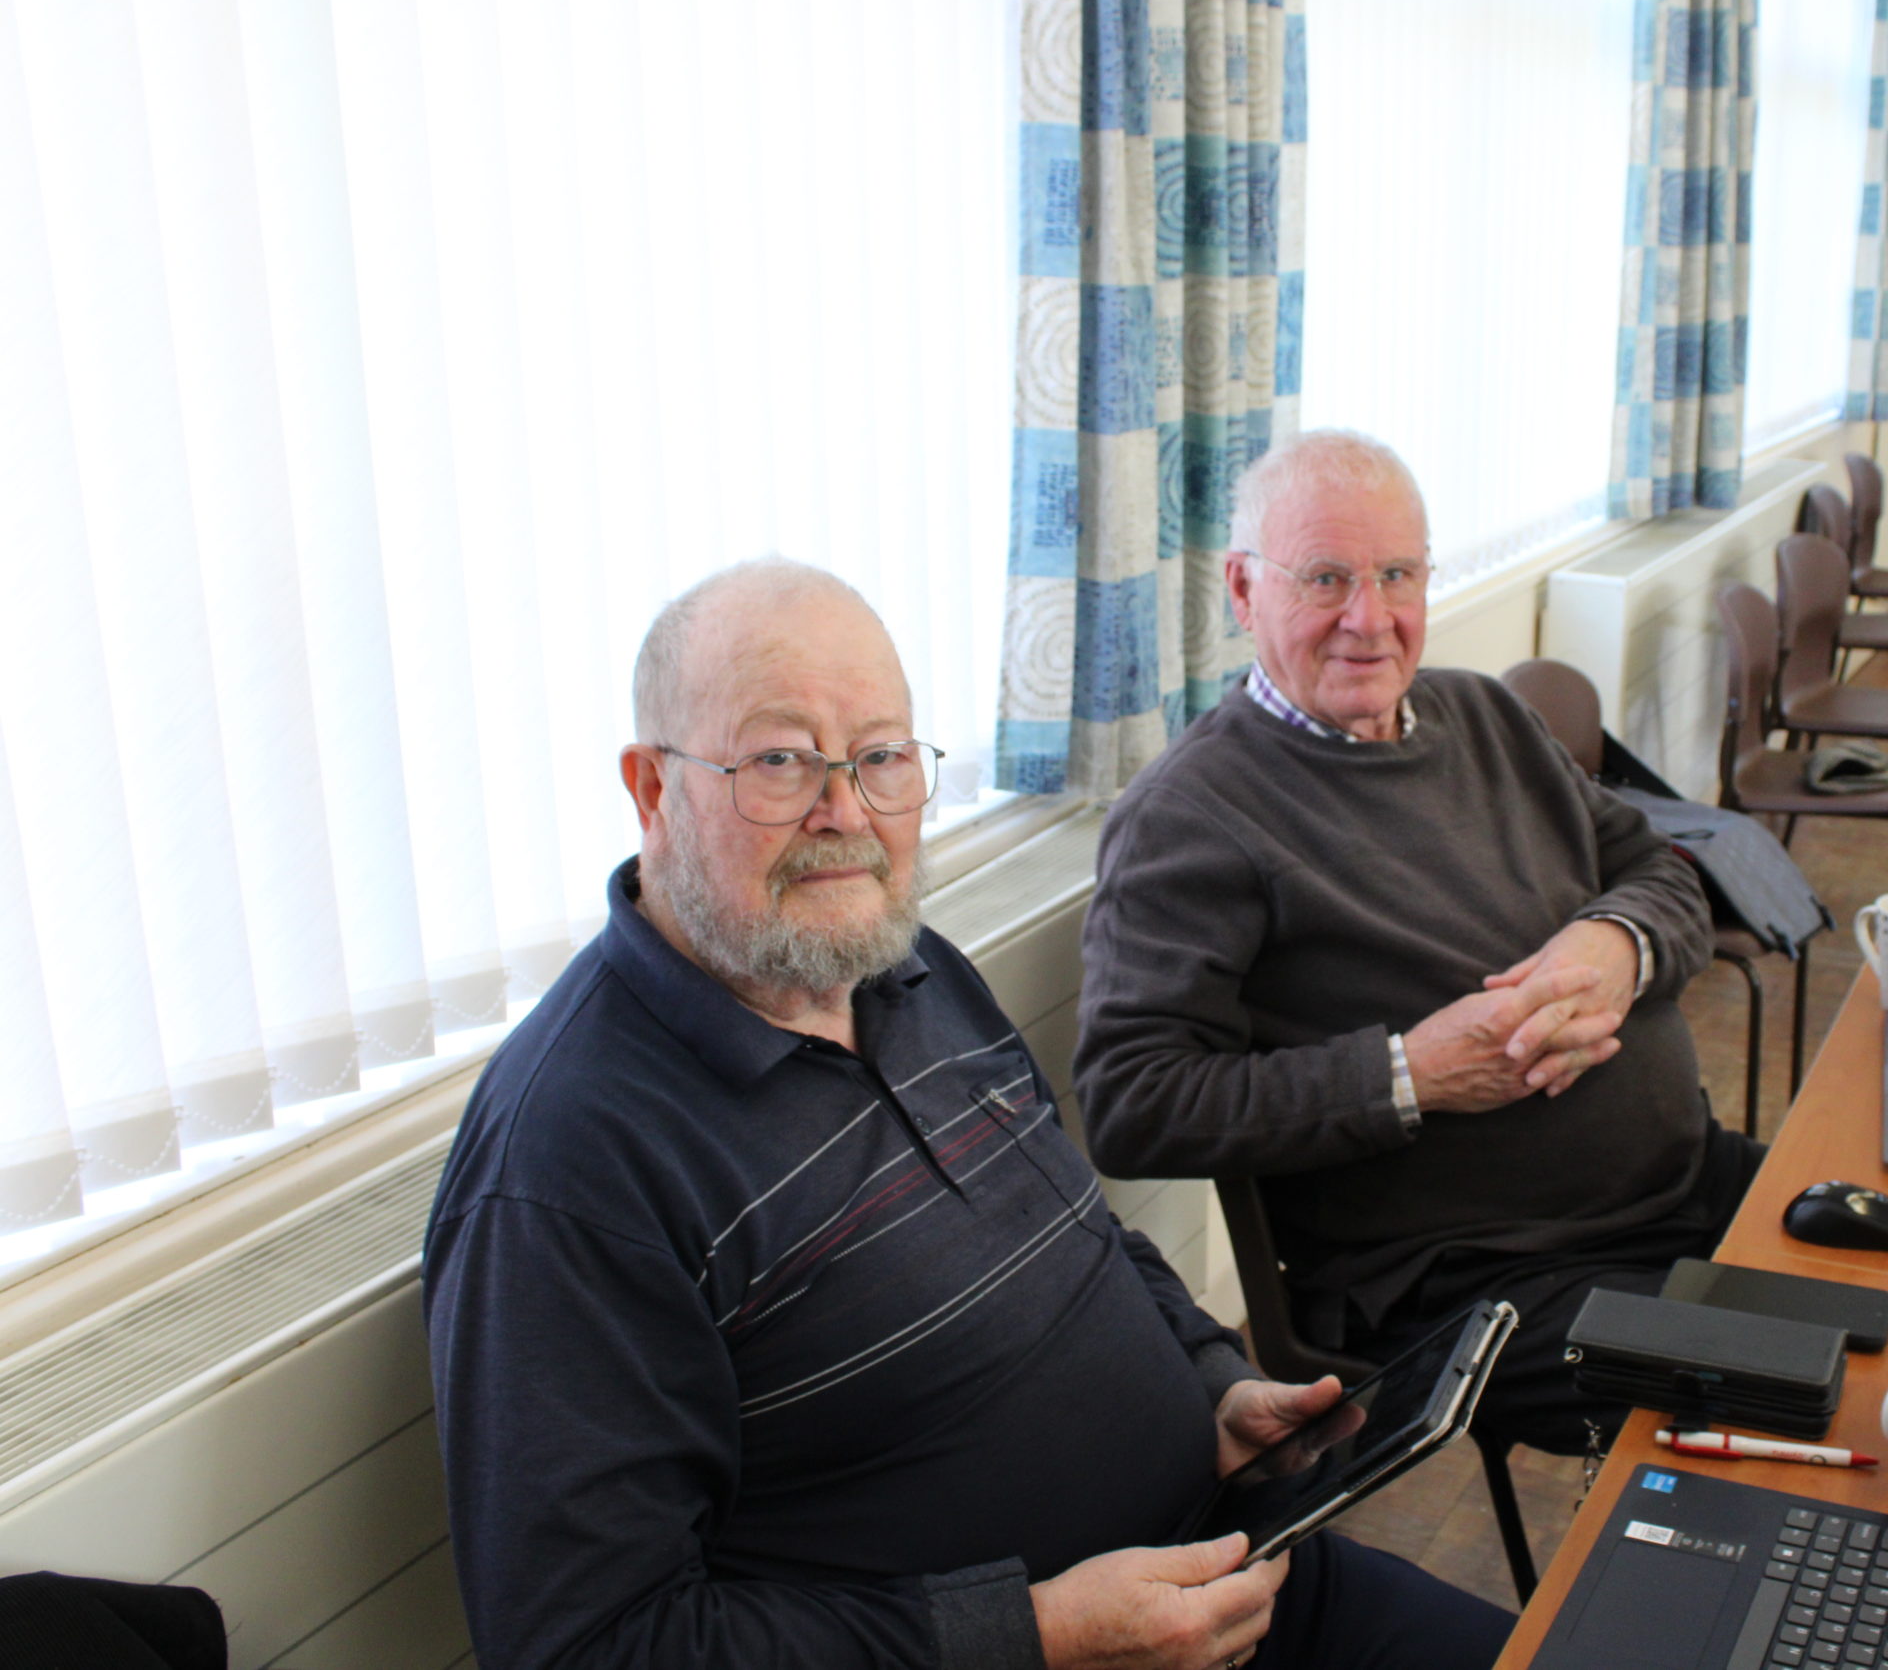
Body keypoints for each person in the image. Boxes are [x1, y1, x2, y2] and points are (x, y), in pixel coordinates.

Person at [422, 558, 1511, 1670]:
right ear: (653, 789)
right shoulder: (568, 1163)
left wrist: (1210, 1380)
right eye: (782, 761)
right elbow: (589, 1646)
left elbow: (1083, 1238)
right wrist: (1037, 1637)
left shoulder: (908, 969)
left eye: (883, 756)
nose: (844, 813)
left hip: (1236, 1575)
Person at [1075, 432, 1764, 1457]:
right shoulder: (1188, 818)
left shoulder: (1483, 713)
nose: (1370, 618)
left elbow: (1665, 871)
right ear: (1241, 589)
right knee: (1804, 1389)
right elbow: (1132, 1107)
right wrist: (1411, 1077)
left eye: (1397, 574)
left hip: (1678, 1182)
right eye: (1325, 579)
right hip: (1472, 1280)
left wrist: (1617, 944)